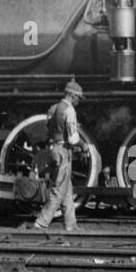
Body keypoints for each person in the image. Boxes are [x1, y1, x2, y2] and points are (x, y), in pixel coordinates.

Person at [29, 78, 84, 232]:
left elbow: (48, 128)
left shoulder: (53, 108)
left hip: (53, 149)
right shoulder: (69, 110)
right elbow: (73, 138)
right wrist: (83, 145)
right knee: (58, 189)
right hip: (63, 151)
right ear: (72, 96)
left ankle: (70, 224)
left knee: (67, 189)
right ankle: (41, 222)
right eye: (78, 98)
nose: (78, 101)